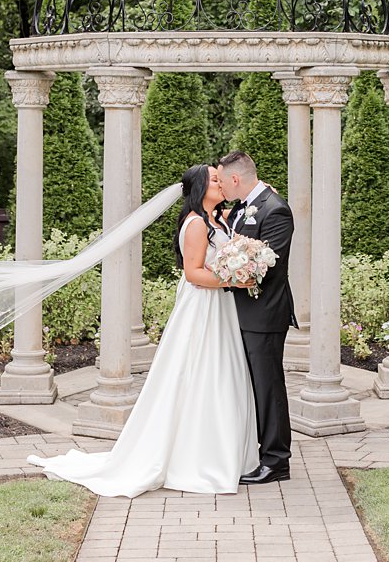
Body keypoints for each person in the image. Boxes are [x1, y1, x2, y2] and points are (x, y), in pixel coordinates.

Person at [26, 164, 259, 496]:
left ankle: (224, 452)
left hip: (219, 306)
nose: (220, 182)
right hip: (201, 307)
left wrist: (240, 268)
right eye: (214, 179)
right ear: (199, 188)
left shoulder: (218, 220)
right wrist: (234, 278)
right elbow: (194, 274)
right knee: (197, 372)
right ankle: (196, 460)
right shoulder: (195, 225)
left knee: (222, 373)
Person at [217, 149, 296, 485]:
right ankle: (257, 448)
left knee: (268, 386)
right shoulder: (240, 208)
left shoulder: (275, 210)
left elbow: (269, 267)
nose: (220, 188)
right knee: (250, 385)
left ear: (235, 179)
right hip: (242, 312)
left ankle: (277, 459)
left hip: (264, 312)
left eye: (221, 181)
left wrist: (224, 274)